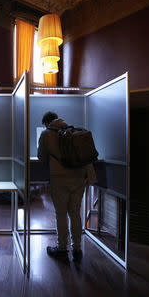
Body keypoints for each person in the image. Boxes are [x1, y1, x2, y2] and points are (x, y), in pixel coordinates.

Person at [37, 111, 96, 262]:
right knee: (75, 213)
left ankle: (62, 248)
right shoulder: (73, 131)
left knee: (61, 213)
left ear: (46, 123)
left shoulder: (46, 134)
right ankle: (77, 249)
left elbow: (41, 157)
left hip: (59, 179)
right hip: (78, 178)